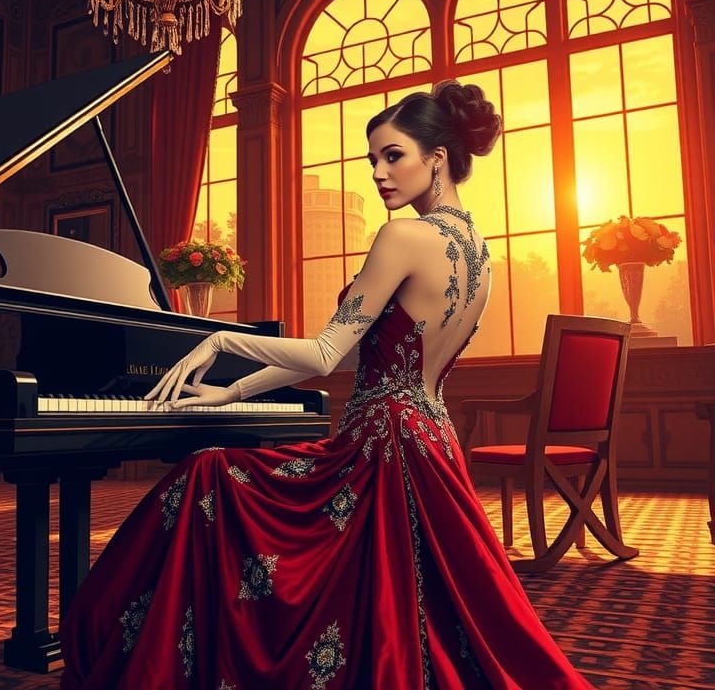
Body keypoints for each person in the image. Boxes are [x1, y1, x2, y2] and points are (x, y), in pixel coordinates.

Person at [58, 80, 595, 689]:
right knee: (419, 608)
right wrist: (232, 393)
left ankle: (139, 652)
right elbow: (349, 357)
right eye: (373, 160)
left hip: (379, 447)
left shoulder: (402, 237)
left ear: (437, 157)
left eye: (394, 155)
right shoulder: (477, 249)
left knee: (205, 475)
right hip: (431, 440)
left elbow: (323, 350)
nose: (379, 173)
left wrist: (221, 341)